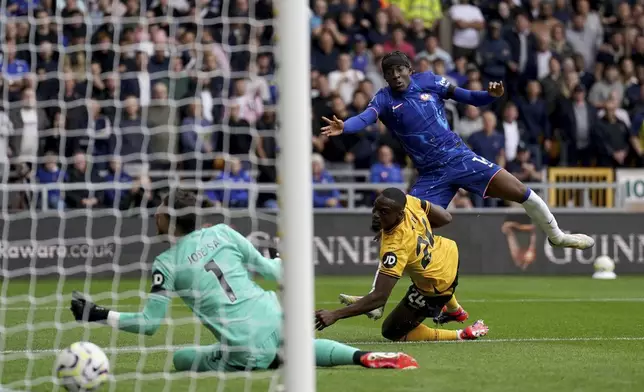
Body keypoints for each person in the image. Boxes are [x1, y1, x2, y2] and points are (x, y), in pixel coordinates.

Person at [69, 189, 418, 371]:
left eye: (159, 210)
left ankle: (268, 356)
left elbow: (149, 325)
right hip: (278, 320)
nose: (155, 214)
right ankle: (360, 356)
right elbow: (275, 273)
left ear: (167, 219)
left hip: (243, 348)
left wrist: (98, 314)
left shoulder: (166, 263)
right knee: (294, 349)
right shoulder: (223, 232)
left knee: (182, 359)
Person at [321, 50, 594, 251]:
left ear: (409, 70)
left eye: (399, 70)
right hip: (430, 173)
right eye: (389, 73)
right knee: (399, 228)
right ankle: (376, 296)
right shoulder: (383, 98)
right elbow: (366, 118)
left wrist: (491, 96)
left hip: (460, 157)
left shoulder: (428, 81)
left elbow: (470, 97)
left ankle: (557, 236)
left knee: (523, 193)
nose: (395, 76)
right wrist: (345, 126)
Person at [315, 188, 488, 343]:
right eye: (376, 207)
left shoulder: (395, 247)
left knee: (392, 331)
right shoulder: (410, 201)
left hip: (437, 284)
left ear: (398, 215)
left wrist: (334, 315)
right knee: (420, 272)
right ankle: (455, 310)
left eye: (384, 212)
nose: (376, 214)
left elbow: (379, 297)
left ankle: (462, 334)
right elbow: (446, 217)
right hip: (448, 251)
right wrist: (419, 228)